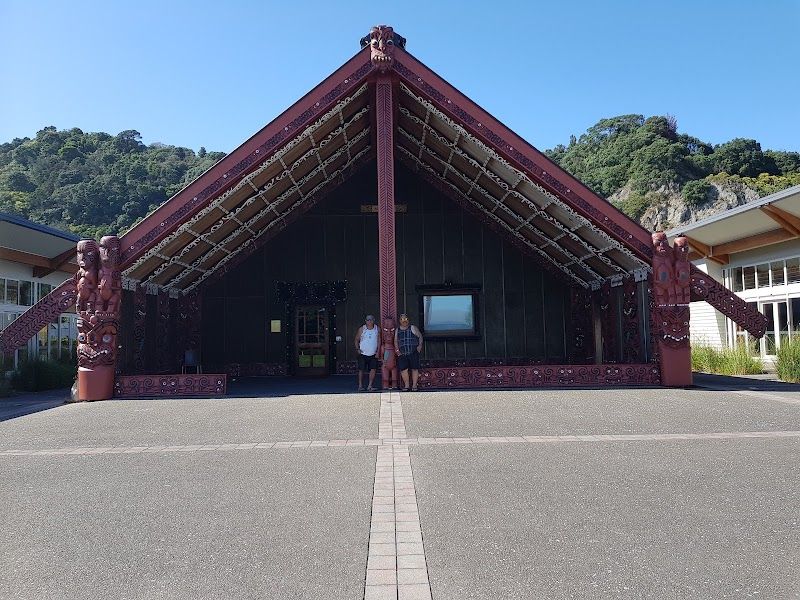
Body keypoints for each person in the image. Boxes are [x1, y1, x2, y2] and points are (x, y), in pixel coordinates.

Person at [394, 313, 423, 391]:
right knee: (404, 370)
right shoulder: (397, 330)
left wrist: (419, 346)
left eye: (406, 319)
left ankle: (414, 386)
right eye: (402, 319)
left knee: (414, 369)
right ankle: (406, 386)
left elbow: (420, 336)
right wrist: (397, 351)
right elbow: (396, 341)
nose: (404, 321)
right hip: (402, 353)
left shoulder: (413, 328)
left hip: (413, 352)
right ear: (399, 321)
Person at [354, 314, 380, 391]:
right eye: (368, 320)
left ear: (374, 320)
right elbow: (356, 339)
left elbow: (379, 340)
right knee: (361, 369)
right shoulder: (362, 329)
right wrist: (357, 349)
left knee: (373, 369)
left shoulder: (377, 329)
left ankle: (370, 385)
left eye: (371, 320)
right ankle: (360, 385)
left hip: (373, 353)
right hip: (363, 353)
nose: (369, 321)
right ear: (365, 321)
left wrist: (378, 351)